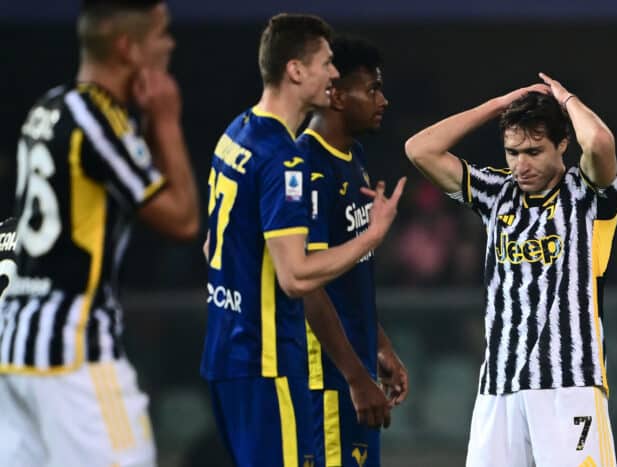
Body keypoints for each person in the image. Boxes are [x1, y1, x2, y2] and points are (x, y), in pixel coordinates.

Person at [0, 1, 200, 466]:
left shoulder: (49, 106)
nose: (170, 44)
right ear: (128, 48)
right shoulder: (96, 117)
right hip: (74, 350)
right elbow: (183, 219)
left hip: (17, 347)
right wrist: (166, 120)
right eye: (161, 33)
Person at [200, 15, 405, 467]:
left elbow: (212, 246)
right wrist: (373, 234)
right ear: (295, 70)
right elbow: (296, 278)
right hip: (268, 359)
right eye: (326, 63)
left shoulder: (237, 134)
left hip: (226, 353)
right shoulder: (286, 160)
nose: (333, 73)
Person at [405, 73, 617, 467]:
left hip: (569, 381)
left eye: (534, 151)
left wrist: (566, 100)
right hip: (499, 385)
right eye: (512, 152)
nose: (521, 165)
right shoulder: (496, 193)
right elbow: (420, 149)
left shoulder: (588, 193)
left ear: (563, 143)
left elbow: (600, 143)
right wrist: (496, 106)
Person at [297, 36, 408, 467]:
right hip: (325, 373)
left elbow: (349, 273)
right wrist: (354, 376)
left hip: (355, 363)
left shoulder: (352, 155)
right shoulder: (307, 166)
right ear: (338, 96)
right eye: (373, 89)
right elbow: (307, 282)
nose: (383, 99)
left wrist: (379, 345)